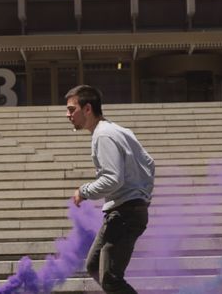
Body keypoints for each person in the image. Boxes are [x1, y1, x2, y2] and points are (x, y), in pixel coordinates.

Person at [65, 85, 155, 294]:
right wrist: (143, 194)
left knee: (111, 278)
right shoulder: (119, 130)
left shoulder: (103, 135)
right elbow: (149, 163)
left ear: (87, 109)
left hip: (124, 213)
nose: (67, 114)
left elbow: (112, 179)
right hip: (126, 210)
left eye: (71, 109)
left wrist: (84, 191)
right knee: (94, 266)